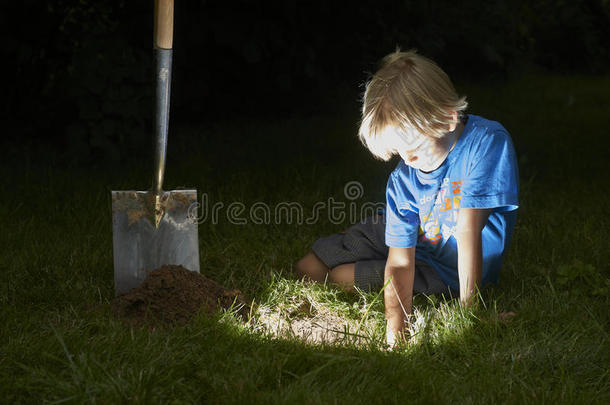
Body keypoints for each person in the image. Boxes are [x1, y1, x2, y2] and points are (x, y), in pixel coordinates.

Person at [295, 50, 519, 346]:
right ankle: (373, 238)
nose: (407, 161)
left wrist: (470, 315)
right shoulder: (403, 178)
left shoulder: (486, 145)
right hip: (413, 237)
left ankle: (373, 249)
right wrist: (396, 330)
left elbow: (468, 232)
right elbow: (400, 262)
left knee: (339, 277)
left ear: (447, 118)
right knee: (307, 268)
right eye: (399, 152)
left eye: (412, 148)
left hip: (444, 268)